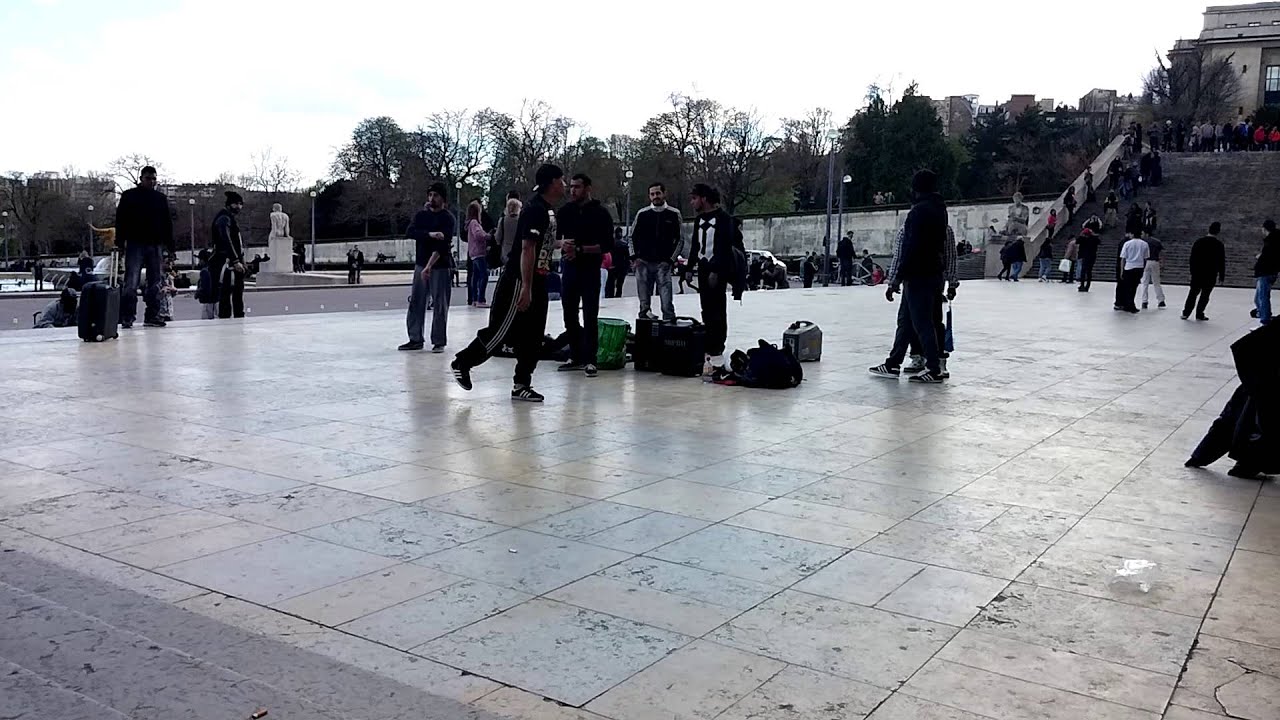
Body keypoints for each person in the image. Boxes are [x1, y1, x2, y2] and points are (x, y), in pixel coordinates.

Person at [453, 164, 566, 402]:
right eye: (561, 180)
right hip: (519, 279)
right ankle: (463, 362)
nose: (564, 185)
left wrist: (561, 245)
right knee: (501, 331)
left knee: (534, 336)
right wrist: (526, 286)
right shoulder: (535, 209)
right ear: (551, 183)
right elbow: (527, 247)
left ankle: (521, 383)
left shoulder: (548, 210)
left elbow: (543, 243)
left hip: (539, 278)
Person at [868, 169, 948, 384]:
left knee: (922, 323)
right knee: (906, 321)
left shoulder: (918, 212)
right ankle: (893, 363)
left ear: (916, 188)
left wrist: (896, 278)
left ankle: (933, 368)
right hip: (933, 272)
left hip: (917, 274)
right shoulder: (940, 210)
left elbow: (910, 247)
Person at [1185, 322, 1280, 478]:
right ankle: (1246, 464)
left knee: (1237, 417)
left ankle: (1203, 456)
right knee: (1255, 421)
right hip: (1264, 382)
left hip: (1260, 379)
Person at [686, 183, 743, 384]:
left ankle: (717, 344)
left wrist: (717, 271)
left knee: (718, 308)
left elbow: (725, 247)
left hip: (717, 269)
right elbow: (696, 245)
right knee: (706, 308)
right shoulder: (698, 220)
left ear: (704, 198)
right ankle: (709, 342)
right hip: (702, 267)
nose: (692, 202)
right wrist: (689, 268)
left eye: (694, 198)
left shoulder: (724, 219)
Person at [556, 173, 612, 377]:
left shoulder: (600, 213)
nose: (573, 191)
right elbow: (552, 239)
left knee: (590, 313)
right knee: (569, 312)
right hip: (569, 268)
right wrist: (562, 245)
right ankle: (575, 353)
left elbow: (607, 245)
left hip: (589, 268)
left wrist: (580, 250)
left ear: (588, 188)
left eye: (577, 187)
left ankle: (591, 358)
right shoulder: (565, 212)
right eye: (571, 187)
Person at [114, 165, 173, 328]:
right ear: (141, 179)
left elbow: (167, 223)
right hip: (136, 243)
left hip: (154, 244)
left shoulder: (160, 198)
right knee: (131, 283)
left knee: (155, 283)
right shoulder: (129, 196)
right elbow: (121, 221)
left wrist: (170, 247)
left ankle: (152, 315)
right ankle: (128, 316)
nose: (152, 181)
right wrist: (119, 242)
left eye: (154, 178)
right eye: (149, 178)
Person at [400, 182, 455, 352]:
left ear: (443, 199)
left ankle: (438, 341)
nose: (432, 199)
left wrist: (429, 266)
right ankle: (415, 338)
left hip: (439, 266)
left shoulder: (448, 218)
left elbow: (443, 246)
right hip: (421, 263)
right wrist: (430, 234)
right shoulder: (421, 216)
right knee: (417, 301)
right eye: (430, 195)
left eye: (436, 196)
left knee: (440, 304)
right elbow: (410, 232)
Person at [630, 182, 682, 321]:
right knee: (644, 305)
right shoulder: (642, 214)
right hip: (643, 263)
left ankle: (669, 331)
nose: (655, 196)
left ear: (664, 194)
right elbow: (631, 237)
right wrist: (634, 257)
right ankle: (645, 332)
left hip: (663, 263)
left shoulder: (674, 214)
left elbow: (680, 239)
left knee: (667, 304)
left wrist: (671, 260)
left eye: (658, 193)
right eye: (652, 194)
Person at [210, 191, 247, 319]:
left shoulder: (226, 218)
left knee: (232, 293)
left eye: (240, 204)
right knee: (230, 293)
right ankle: (233, 318)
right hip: (227, 261)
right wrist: (235, 260)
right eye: (236, 204)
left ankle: (233, 317)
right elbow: (226, 239)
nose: (239, 207)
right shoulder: (225, 218)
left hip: (228, 260)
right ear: (229, 204)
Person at [1184, 222, 1226, 321]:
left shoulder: (1199, 242)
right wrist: (1221, 275)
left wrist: (1192, 271)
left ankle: (1186, 312)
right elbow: (1221, 261)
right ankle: (1199, 313)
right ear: (1218, 232)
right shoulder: (1219, 245)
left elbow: (1192, 258)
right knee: (1205, 295)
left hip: (1198, 272)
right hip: (1211, 273)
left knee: (1193, 293)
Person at [465, 201, 492, 308]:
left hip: (473, 253)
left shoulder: (469, 223)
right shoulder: (475, 223)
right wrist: (488, 235)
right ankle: (481, 299)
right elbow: (478, 235)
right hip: (479, 252)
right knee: (484, 275)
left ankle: (474, 299)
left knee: (475, 277)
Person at [1115, 231, 1148, 314]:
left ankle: (1128, 304)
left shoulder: (1127, 244)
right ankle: (1130, 304)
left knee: (1127, 287)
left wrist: (1122, 271)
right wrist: (1143, 268)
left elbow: (1123, 258)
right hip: (1139, 267)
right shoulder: (1144, 244)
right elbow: (1145, 258)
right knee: (1134, 287)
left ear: (1132, 234)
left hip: (1129, 267)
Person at [1255, 219, 1280, 325]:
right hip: (1272, 271)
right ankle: (1265, 314)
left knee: (1262, 297)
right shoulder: (1276, 240)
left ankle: (1265, 319)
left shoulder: (1270, 241)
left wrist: (1260, 257)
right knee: (1260, 297)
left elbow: (1268, 256)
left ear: (1265, 229)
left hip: (1265, 272)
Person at [1139, 232, 1166, 310]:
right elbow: (1162, 252)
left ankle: (1144, 301)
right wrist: (1162, 263)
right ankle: (1161, 300)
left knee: (1144, 283)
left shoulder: (1143, 242)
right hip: (1155, 261)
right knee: (1156, 282)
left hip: (1145, 262)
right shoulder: (1157, 242)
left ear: (1146, 234)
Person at [494, 197, 522, 262]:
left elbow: (498, 237)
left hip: (506, 250)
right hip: (519, 251)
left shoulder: (503, 220)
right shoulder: (521, 220)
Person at [605, 227, 630, 298]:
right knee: (620, 284)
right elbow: (627, 257)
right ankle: (618, 296)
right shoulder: (624, 244)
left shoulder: (610, 244)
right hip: (622, 267)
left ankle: (610, 296)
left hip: (612, 266)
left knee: (610, 283)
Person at [1076, 227, 1100, 292]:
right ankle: (1087, 286)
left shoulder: (1083, 239)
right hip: (1092, 256)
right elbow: (1098, 241)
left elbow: (1077, 241)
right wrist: (1093, 234)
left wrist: (1081, 235)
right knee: (1089, 271)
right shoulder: (1094, 239)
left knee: (1083, 271)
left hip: (1085, 256)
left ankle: (1082, 285)